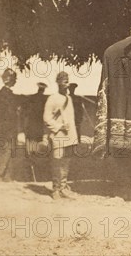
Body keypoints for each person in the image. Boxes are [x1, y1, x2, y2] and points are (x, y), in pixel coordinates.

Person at [43, 72, 78, 200]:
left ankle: (63, 187)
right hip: (58, 135)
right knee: (57, 161)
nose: (66, 83)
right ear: (58, 82)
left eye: (67, 80)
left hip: (69, 135)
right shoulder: (52, 98)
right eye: (64, 81)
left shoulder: (69, 98)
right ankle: (55, 189)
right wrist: (59, 127)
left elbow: (71, 119)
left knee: (66, 162)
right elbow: (46, 118)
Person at [0, 68, 24, 181]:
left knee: (10, 150)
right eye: (14, 78)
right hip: (4, 128)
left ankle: (7, 176)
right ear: (8, 79)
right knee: (5, 150)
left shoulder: (10, 95)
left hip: (11, 128)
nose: (15, 81)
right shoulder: (2, 95)